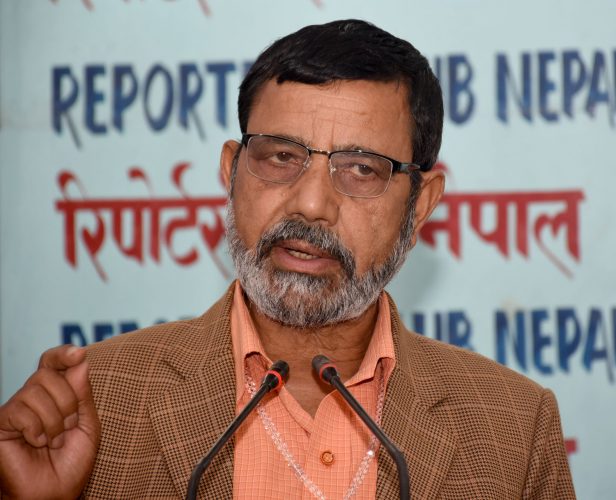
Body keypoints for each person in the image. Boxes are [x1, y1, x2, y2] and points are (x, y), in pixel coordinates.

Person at [0, 19, 575, 499]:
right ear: (231, 171)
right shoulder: (96, 402)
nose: (311, 204)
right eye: (280, 157)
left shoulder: (513, 426)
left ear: (420, 205)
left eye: (361, 169)